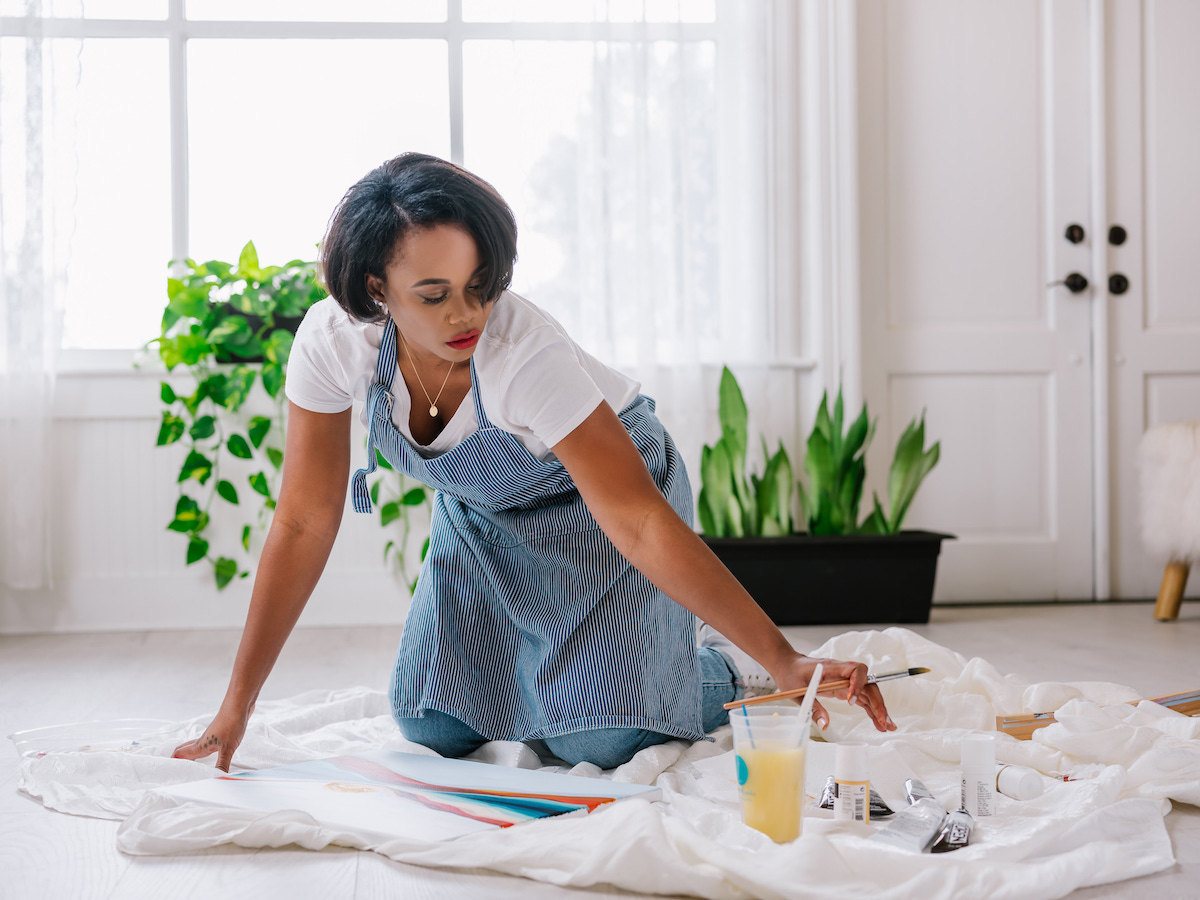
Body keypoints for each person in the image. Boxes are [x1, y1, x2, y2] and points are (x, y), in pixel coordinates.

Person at [173, 153, 895, 772]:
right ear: (375, 290)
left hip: (605, 503)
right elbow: (304, 519)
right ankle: (608, 674)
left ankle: (716, 670)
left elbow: (639, 521)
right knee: (429, 720)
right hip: (487, 513)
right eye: (435, 295)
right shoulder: (334, 345)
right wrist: (238, 705)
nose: (468, 314)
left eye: (481, 284)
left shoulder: (524, 354)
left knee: (600, 739)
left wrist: (780, 659)